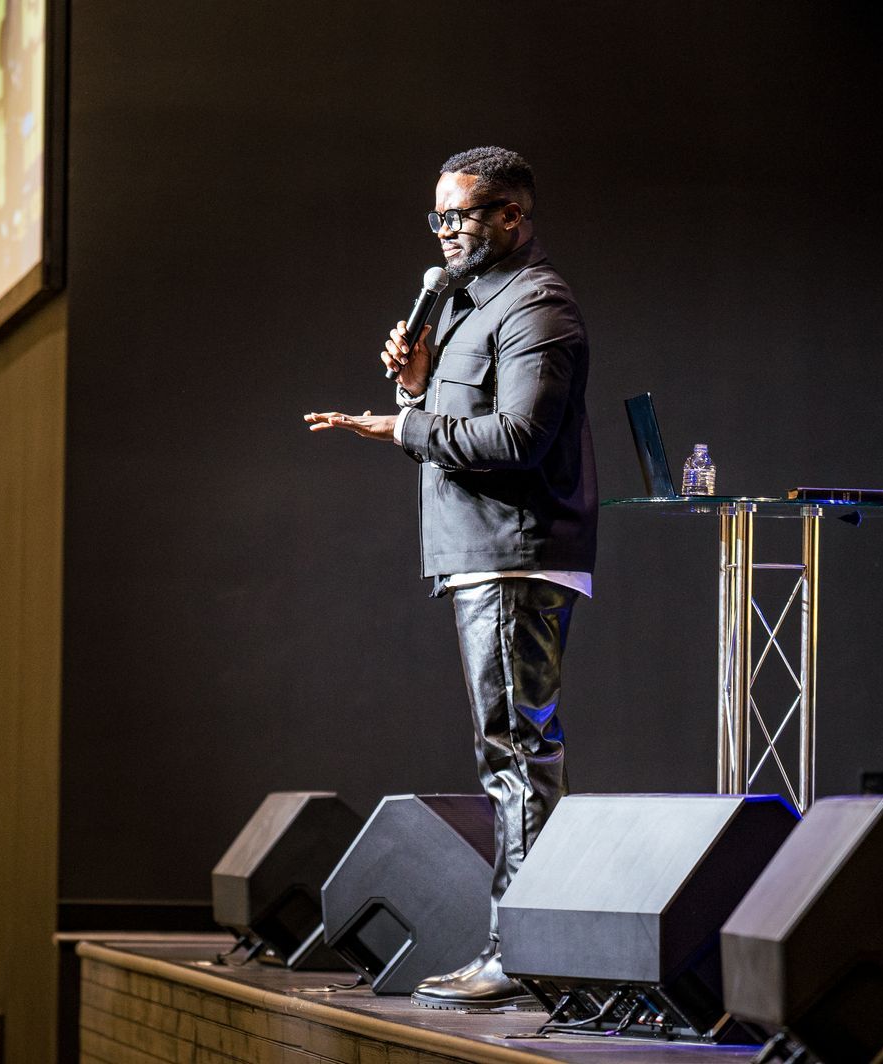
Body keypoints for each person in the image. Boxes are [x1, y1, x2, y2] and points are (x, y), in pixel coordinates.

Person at [304, 146, 596, 1009]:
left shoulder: (537, 303)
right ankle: (526, 948)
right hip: (478, 558)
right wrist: (420, 393)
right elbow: (462, 429)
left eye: (463, 215)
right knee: (504, 752)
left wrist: (400, 430)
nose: (448, 231)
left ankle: (526, 952)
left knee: (517, 755)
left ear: (512, 215)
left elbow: (518, 442)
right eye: (439, 217)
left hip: (515, 555)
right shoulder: (466, 306)